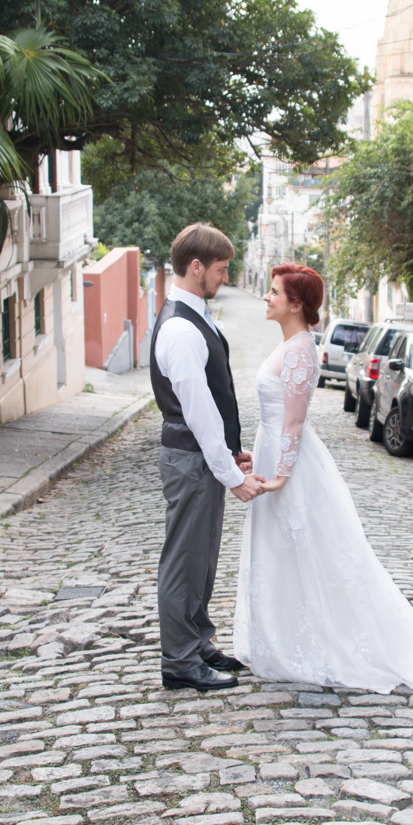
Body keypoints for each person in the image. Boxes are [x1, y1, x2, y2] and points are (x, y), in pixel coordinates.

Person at [233, 263, 413, 695]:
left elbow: (293, 423)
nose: (267, 298)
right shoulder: (290, 343)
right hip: (272, 453)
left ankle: (310, 644)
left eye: (274, 292)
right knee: (281, 551)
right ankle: (281, 637)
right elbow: (278, 421)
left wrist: (279, 476)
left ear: (296, 303)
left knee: (305, 550)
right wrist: (262, 456)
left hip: (289, 466)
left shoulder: (300, 350)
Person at [151, 223, 264, 693]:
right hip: (191, 460)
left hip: (204, 460)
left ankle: (197, 642)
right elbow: (197, 411)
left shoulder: (197, 317)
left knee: (201, 560)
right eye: (220, 270)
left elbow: (215, 396)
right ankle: (179, 662)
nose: (224, 277)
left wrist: (231, 453)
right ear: (195, 267)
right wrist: (228, 473)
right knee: (183, 561)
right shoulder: (179, 327)